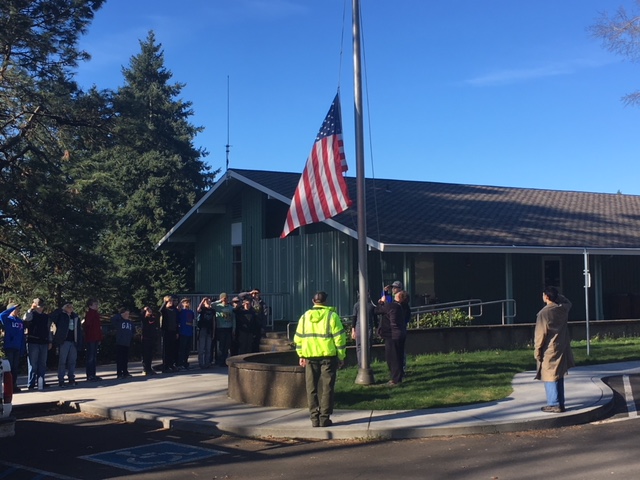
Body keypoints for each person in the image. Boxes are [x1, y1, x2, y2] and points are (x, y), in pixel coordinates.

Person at [294, 291, 346, 428]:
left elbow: (298, 338)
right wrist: (341, 356)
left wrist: (301, 354)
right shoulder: (332, 316)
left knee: (311, 388)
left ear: (313, 301)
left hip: (310, 357)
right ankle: (324, 418)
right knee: (327, 387)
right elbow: (340, 338)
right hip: (328, 357)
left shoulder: (305, 317)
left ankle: (314, 418)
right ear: (326, 301)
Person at [534, 286, 574, 413]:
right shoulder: (562, 309)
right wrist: (558, 296)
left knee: (549, 375)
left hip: (549, 348)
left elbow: (540, 334)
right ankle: (560, 402)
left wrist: (537, 350)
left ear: (546, 297)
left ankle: (554, 403)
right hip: (561, 345)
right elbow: (568, 303)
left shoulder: (544, 313)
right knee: (559, 374)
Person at [375, 290, 408, 386]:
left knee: (392, 358)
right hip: (401, 333)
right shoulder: (404, 307)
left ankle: (395, 379)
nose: (395, 293)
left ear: (399, 297)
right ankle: (399, 376)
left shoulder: (392, 306)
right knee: (399, 356)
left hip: (392, 335)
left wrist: (381, 302)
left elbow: (377, 310)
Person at [23, 298, 51, 390]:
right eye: (39, 306)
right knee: (33, 364)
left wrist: (50, 341)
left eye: (42, 306)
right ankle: (31, 383)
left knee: (42, 363)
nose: (40, 308)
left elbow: (48, 330)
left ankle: (41, 381)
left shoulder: (46, 317)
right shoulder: (31, 315)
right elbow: (25, 319)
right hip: (33, 341)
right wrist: (30, 309)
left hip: (43, 342)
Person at [51, 302, 81, 387]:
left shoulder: (75, 316)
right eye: (68, 307)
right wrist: (61, 309)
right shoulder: (61, 316)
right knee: (62, 361)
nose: (70, 308)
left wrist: (79, 341)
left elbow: (79, 330)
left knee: (72, 361)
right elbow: (52, 316)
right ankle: (61, 379)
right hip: (64, 341)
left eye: (71, 307)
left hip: (73, 341)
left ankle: (71, 378)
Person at [0, 303, 25, 392]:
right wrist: (12, 307)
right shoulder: (7, 320)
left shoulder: (20, 321)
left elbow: (22, 336)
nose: (18, 311)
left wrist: (23, 348)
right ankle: (8, 387)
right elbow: (2, 315)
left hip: (17, 347)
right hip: (9, 347)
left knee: (15, 368)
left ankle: (14, 385)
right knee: (9, 368)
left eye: (18, 309)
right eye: (16, 309)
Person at [352, 292, 376, 368]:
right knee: (368, 347)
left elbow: (354, 318)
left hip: (358, 327)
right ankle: (367, 364)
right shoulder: (371, 306)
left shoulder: (356, 305)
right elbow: (375, 318)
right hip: (368, 328)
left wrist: (353, 330)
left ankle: (360, 365)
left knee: (359, 347)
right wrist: (377, 327)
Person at [83, 299, 103, 382]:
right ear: (90, 306)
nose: (97, 306)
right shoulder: (90, 314)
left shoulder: (96, 314)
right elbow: (87, 325)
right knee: (90, 357)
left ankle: (93, 374)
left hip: (95, 338)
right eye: (95, 304)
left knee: (94, 357)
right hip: (91, 338)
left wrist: (99, 337)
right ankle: (90, 375)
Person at [112, 307, 134, 379]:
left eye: (128, 314)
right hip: (120, 342)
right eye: (126, 314)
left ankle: (125, 372)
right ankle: (119, 373)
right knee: (120, 359)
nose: (127, 315)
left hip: (127, 343)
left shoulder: (130, 322)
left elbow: (133, 330)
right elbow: (113, 319)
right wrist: (120, 315)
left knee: (125, 359)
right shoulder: (119, 321)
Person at [213, 293, 234, 367]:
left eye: (226, 298)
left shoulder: (230, 307)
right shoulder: (217, 306)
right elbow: (211, 304)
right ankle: (219, 361)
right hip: (220, 328)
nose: (225, 300)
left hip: (228, 328)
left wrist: (233, 328)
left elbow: (233, 319)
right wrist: (219, 301)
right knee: (220, 346)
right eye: (224, 298)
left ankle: (224, 360)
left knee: (226, 345)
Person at [160, 295, 179, 372]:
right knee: (166, 350)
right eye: (170, 301)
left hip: (173, 331)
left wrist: (177, 332)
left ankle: (171, 365)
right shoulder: (164, 310)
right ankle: (165, 366)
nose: (172, 302)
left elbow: (176, 321)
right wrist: (165, 303)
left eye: (172, 301)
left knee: (172, 349)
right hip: (166, 331)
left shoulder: (174, 310)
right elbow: (160, 311)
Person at [196, 297, 215, 369]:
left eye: (208, 301)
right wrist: (202, 301)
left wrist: (213, 332)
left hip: (209, 330)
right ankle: (201, 363)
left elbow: (213, 321)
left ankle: (207, 363)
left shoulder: (213, 310)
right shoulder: (203, 310)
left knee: (208, 348)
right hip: (202, 330)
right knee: (202, 348)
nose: (208, 302)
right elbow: (198, 309)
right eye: (206, 301)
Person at [141, 306, 159, 375]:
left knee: (150, 354)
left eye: (150, 310)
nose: (149, 312)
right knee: (145, 354)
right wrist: (144, 310)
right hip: (145, 338)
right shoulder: (144, 319)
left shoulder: (153, 318)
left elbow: (158, 313)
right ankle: (145, 369)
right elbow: (142, 316)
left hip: (152, 338)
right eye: (147, 311)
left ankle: (149, 368)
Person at [177, 298, 195, 369]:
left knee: (187, 349)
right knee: (182, 349)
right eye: (186, 302)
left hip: (189, 332)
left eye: (188, 302)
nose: (188, 304)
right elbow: (178, 308)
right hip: (183, 332)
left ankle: (185, 362)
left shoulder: (191, 312)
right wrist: (181, 302)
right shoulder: (181, 311)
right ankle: (180, 363)